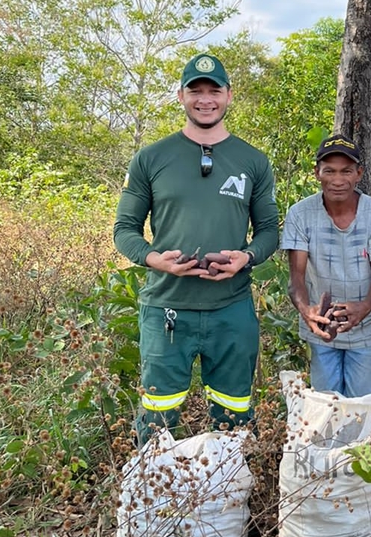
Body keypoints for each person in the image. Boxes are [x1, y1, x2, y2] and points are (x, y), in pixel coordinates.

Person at [114, 53, 279, 445]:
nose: (205, 99)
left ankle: (229, 494)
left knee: (234, 410)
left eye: (214, 90)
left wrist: (247, 257)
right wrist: (155, 259)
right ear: (181, 96)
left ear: (228, 96)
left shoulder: (252, 161)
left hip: (231, 308)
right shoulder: (151, 158)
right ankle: (154, 494)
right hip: (166, 308)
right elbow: (125, 230)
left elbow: (270, 230)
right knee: (158, 414)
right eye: (196, 91)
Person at [282, 134, 371, 397]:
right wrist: (307, 311)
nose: (337, 180)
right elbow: (296, 276)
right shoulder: (300, 214)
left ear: (359, 173)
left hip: (370, 328)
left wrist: (365, 307)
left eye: (346, 171)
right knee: (327, 405)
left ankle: (361, 442)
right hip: (321, 327)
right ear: (317, 173)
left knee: (363, 407)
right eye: (329, 171)